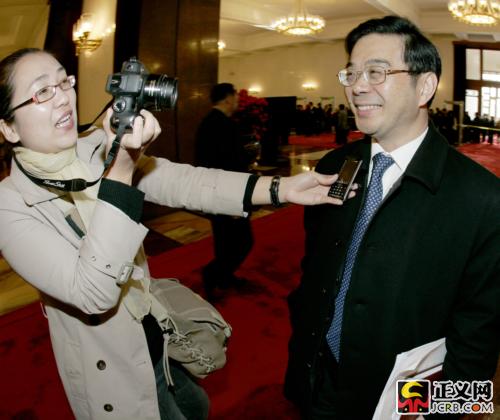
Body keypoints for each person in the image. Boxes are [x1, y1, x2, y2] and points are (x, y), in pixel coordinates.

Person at [0, 49, 350, 420]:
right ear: (8, 128)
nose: (63, 97)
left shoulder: (96, 146)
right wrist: (122, 168)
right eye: (42, 92)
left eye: (63, 81)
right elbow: (93, 293)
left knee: (196, 407)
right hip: (113, 371)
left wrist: (281, 188)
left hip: (159, 339)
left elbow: (186, 182)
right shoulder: (10, 204)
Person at [284, 16, 500, 419]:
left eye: (377, 72)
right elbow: (315, 268)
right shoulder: (334, 165)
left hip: (401, 402)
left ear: (425, 86)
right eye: (351, 73)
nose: (357, 87)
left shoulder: (483, 198)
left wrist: (429, 412)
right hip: (317, 381)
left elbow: (479, 342)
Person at [194, 83, 253, 299]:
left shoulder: (208, 123)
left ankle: (224, 277)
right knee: (243, 241)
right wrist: (235, 202)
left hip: (213, 192)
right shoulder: (225, 126)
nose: (237, 101)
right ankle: (213, 273)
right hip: (228, 194)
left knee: (224, 241)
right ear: (228, 98)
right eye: (235, 97)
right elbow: (231, 164)